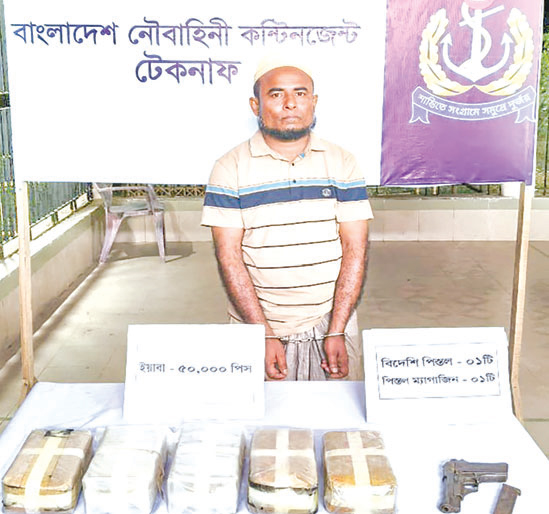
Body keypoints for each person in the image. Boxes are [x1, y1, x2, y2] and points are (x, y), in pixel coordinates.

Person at [201, 57, 373, 381]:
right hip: (257, 328)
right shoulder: (229, 168)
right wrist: (263, 334)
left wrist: (337, 329)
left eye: (300, 93)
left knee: (336, 411)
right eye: (276, 94)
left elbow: (355, 250)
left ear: (313, 101)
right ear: (255, 105)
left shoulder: (342, 163)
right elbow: (229, 257)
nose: (290, 104)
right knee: (263, 414)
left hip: (331, 325)